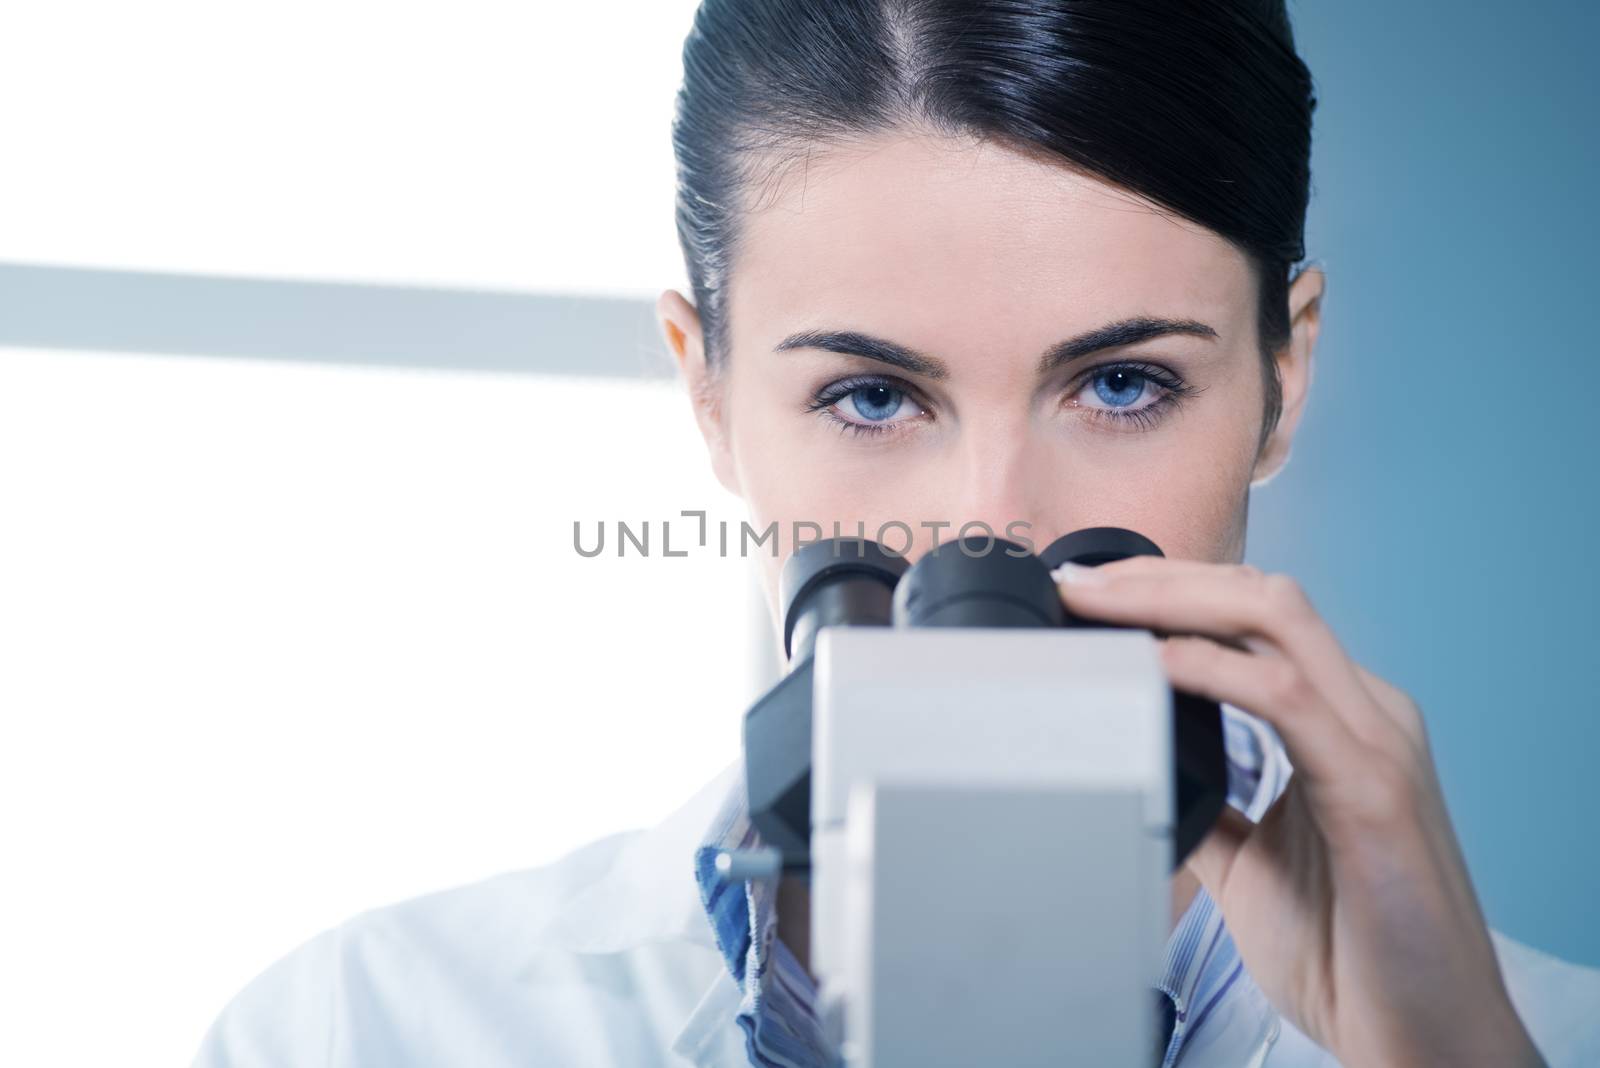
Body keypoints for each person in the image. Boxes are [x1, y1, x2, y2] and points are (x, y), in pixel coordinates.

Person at [192, 1, 1600, 1065]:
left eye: (1123, 384)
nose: (988, 527)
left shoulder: (1525, 1040)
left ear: (1284, 380)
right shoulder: (363, 1029)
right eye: (871, 395)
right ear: (709, 394)